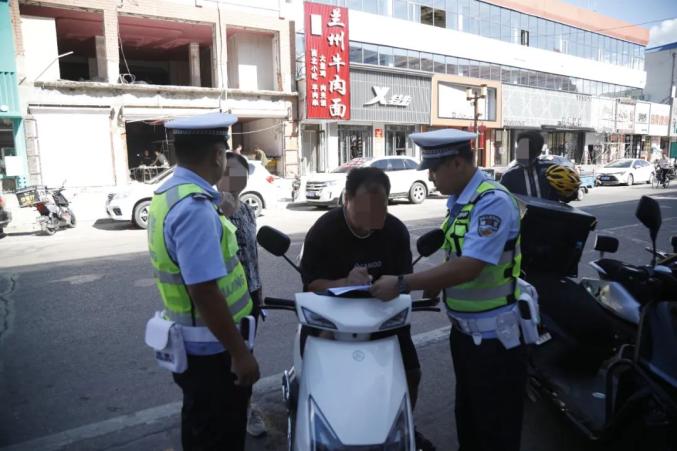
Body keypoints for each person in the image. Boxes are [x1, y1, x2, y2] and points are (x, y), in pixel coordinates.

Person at [370, 129, 527, 451]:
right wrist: (436, 284)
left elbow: (471, 265)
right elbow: (456, 252)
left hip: (494, 339)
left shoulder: (492, 202)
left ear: (457, 163)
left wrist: (402, 283)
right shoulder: (460, 200)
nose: (430, 177)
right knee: (469, 419)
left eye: (434, 169)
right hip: (466, 335)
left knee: (494, 429)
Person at [300, 167, 435, 451]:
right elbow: (311, 285)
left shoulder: (395, 231)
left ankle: (405, 424)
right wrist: (345, 282)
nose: (373, 214)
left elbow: (405, 279)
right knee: (316, 372)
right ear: (347, 198)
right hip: (333, 317)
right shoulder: (324, 230)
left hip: (384, 316)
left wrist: (395, 285)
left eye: (381, 205)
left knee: (412, 372)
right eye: (365, 205)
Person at [147, 112, 260, 450]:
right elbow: (204, 291)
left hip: (198, 346)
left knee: (200, 426)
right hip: (213, 351)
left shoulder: (169, 193)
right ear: (217, 154)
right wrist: (240, 354)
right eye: (225, 154)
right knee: (219, 435)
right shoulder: (194, 207)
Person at [217, 152, 267, 437]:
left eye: (241, 172)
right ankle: (227, 411)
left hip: (250, 295)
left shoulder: (247, 209)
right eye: (230, 171)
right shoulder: (211, 209)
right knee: (226, 358)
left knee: (247, 353)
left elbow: (252, 254)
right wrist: (220, 214)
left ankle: (246, 409)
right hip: (224, 300)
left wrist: (259, 289)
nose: (235, 177)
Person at [500, 131, 576, 202]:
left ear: (538, 153)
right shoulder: (509, 176)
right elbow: (502, 202)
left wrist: (568, 192)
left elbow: (568, 198)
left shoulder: (551, 170)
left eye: (528, 151)